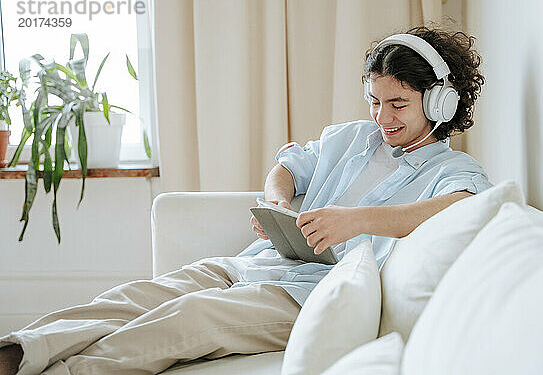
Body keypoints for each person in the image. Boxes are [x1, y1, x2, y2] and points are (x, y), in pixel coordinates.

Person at [0, 25, 491, 375]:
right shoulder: (351, 138)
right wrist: (278, 204)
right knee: (136, 298)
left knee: (189, 317)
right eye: (374, 101)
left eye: (398, 104)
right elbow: (286, 167)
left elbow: (460, 207)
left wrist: (354, 221)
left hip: (307, 295)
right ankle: (18, 353)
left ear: (438, 103)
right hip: (257, 263)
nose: (383, 116)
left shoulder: (454, 172)